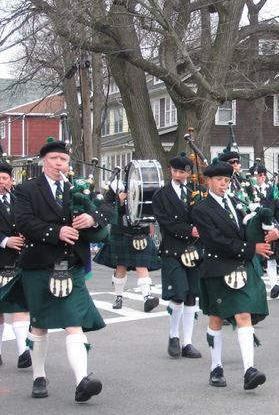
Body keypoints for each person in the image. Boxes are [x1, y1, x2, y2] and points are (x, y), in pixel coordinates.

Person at [10, 140, 113, 401]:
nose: (59, 164)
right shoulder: (26, 190)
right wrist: (56, 232)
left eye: (63, 160)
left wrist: (93, 218)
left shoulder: (79, 188)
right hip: (39, 265)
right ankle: (39, 376)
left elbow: (107, 207)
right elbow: (22, 221)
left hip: (71, 267)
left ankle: (82, 381)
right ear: (44, 161)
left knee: (73, 322)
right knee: (39, 325)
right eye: (54, 158)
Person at [192, 159, 278, 390]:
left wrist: (272, 230)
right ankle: (216, 367)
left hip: (241, 267)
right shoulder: (201, 209)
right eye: (219, 180)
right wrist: (252, 249)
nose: (224, 184)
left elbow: (255, 221)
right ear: (207, 181)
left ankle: (249, 369)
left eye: (227, 180)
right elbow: (215, 241)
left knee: (243, 315)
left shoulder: (237, 202)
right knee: (217, 318)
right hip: (218, 267)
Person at [151, 155, 203, 359]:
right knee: (178, 295)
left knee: (191, 296)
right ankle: (174, 337)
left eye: (182, 172)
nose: (178, 175)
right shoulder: (161, 195)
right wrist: (190, 230)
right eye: (175, 171)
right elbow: (165, 223)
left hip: (193, 250)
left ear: (189, 173)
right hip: (172, 248)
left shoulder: (196, 193)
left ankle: (188, 342)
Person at [93, 179, 161, 313]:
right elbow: (106, 207)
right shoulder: (116, 186)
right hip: (121, 231)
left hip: (140, 230)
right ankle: (118, 297)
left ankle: (147, 297)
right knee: (121, 265)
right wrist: (119, 202)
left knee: (142, 264)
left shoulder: (144, 184)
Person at [0, 161, 29, 369]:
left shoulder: (18, 199)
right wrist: (4, 241)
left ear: (11, 180)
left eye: (4, 178)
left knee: (20, 304)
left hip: (18, 259)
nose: (1, 182)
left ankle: (23, 352)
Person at [249, 164, 279, 298]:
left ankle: (274, 285)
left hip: (269, 226)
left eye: (264, 175)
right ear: (252, 177)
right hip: (254, 228)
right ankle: (253, 287)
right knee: (253, 256)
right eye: (259, 175)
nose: (262, 178)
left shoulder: (271, 190)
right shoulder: (247, 190)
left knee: (271, 255)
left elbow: (277, 209)